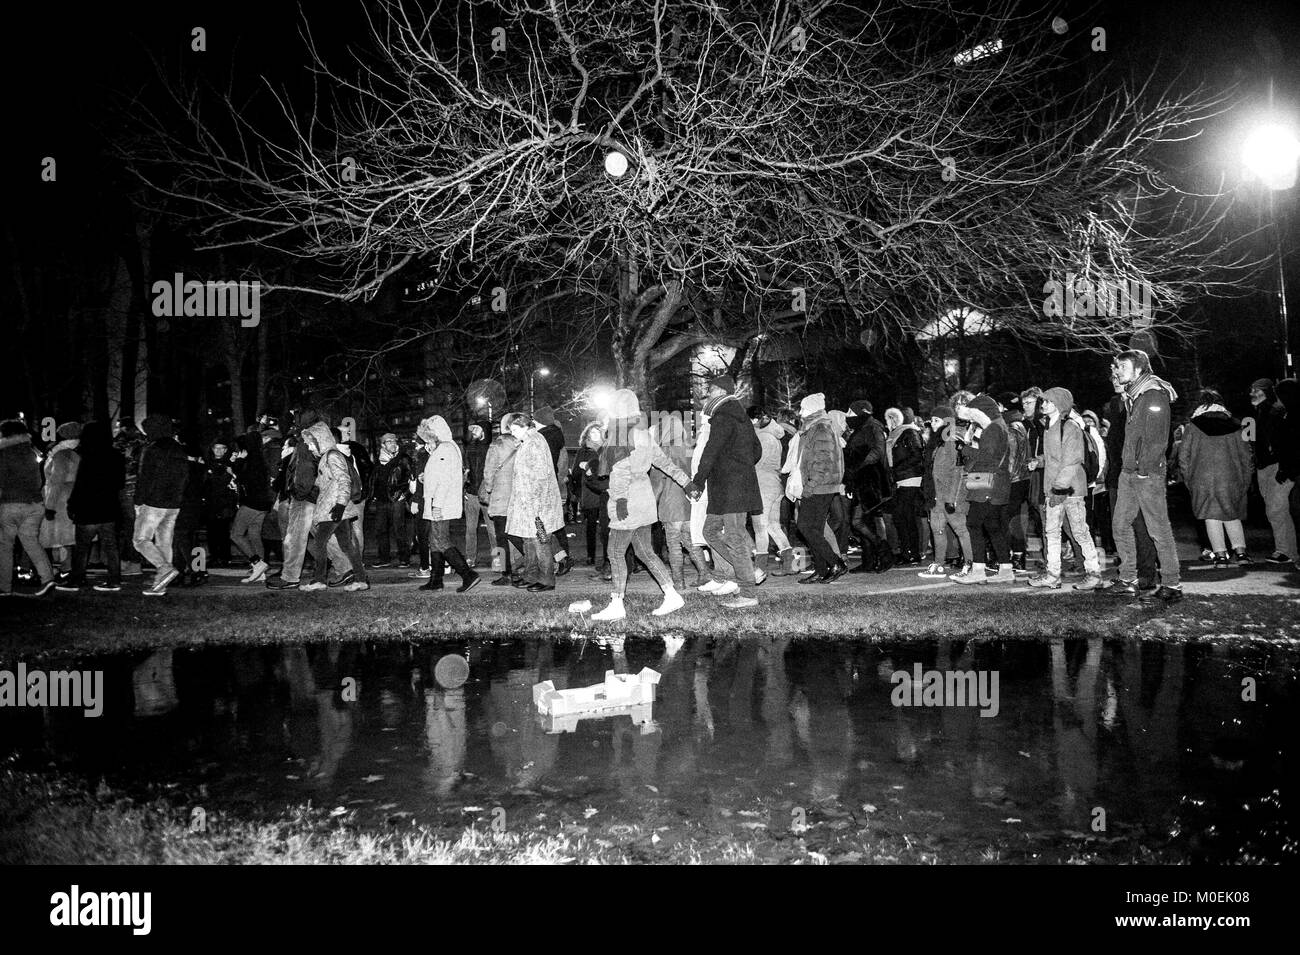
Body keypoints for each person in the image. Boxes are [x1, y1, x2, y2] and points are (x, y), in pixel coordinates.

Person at [589, 390, 695, 620]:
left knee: (615, 552)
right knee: (646, 552)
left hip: (627, 500)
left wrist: (620, 501)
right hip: (645, 500)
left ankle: (617, 603)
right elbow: (664, 462)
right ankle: (671, 594)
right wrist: (687, 482)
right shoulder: (643, 434)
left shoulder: (620, 435)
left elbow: (620, 472)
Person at [1102, 349, 1182, 602]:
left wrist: (1144, 470)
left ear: (1138, 370)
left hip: (1147, 475)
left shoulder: (1153, 394)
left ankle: (1172, 584)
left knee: (1158, 529)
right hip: (1129, 473)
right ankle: (1127, 580)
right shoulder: (1134, 396)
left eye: (1122, 367)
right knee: (1120, 525)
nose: (1117, 371)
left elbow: (1158, 438)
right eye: (1116, 367)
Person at [692, 374, 764, 607]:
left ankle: (748, 593)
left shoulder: (723, 416)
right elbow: (756, 451)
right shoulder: (740, 415)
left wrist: (698, 480)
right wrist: (739, 465)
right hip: (731, 487)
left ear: (720, 392)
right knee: (710, 530)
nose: (707, 396)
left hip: (730, 488)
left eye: (711, 391)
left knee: (734, 537)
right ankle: (745, 572)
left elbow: (710, 452)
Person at [1028, 387, 1103, 590]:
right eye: (1043, 401)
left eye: (1048, 402)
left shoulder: (1069, 427)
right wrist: (1040, 462)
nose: (1043, 405)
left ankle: (1094, 573)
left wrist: (1059, 489)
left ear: (1060, 405)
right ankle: (1053, 574)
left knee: (1080, 531)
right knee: (1051, 531)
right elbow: (1056, 458)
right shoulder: (1049, 426)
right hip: (1055, 489)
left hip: (1070, 490)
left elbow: (1072, 461)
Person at [1179, 390, 1253, 567]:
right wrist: (1246, 480)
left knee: (1210, 515)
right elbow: (1247, 456)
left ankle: (1220, 555)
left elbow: (1183, 457)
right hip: (1231, 478)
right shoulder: (1237, 426)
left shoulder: (1192, 427)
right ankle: (1241, 553)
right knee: (1232, 514)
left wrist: (1189, 479)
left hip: (1202, 478)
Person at [951, 394, 1015, 584]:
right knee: (993, 527)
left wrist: (965, 449)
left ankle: (978, 569)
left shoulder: (992, 428)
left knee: (973, 524)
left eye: (973, 413)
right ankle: (1005, 569)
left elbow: (987, 458)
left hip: (988, 484)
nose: (971, 418)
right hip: (998, 484)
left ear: (982, 411)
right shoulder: (998, 426)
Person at [298, 421, 369, 593]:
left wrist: (339, 505)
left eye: (310, 443)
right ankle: (361, 580)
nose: (309, 447)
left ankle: (319, 580)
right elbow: (326, 482)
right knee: (347, 546)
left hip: (334, 509)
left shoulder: (331, 456)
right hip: (336, 508)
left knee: (320, 543)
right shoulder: (327, 457)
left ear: (319, 440)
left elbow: (344, 480)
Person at [787, 392, 849, 584]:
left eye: (803, 408)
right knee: (814, 528)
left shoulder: (820, 428)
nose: (800, 412)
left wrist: (811, 484)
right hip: (821, 485)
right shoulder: (814, 427)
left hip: (820, 486)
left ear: (813, 409)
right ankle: (822, 570)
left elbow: (823, 461)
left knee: (805, 526)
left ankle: (835, 562)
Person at [56, 420, 125, 592]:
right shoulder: (116, 455)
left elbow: (81, 484)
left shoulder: (86, 456)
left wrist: (72, 504)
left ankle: (77, 579)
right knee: (111, 547)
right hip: (109, 507)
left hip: (88, 508)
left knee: (82, 548)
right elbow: (120, 483)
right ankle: (114, 580)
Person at [416, 414, 479, 593]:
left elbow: (444, 480)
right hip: (440, 501)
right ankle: (436, 580)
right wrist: (426, 477)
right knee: (435, 541)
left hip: (440, 503)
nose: (428, 436)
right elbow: (441, 475)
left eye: (430, 432)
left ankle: (468, 575)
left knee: (440, 540)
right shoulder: (447, 447)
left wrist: (437, 505)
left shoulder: (445, 449)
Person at [504, 413, 566, 592]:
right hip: (527, 504)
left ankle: (547, 579)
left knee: (540, 541)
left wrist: (537, 506)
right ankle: (531, 575)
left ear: (525, 426)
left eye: (515, 429)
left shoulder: (535, 442)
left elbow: (540, 476)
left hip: (537, 504)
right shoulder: (527, 442)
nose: (513, 433)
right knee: (529, 541)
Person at [132, 413, 190, 596]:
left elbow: (145, 477)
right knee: (164, 542)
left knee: (140, 540)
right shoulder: (179, 449)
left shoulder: (152, 449)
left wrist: (138, 501)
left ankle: (164, 568)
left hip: (154, 502)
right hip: (173, 504)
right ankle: (160, 585)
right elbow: (185, 477)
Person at [266, 414, 325, 591]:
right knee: (323, 537)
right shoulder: (320, 439)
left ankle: (290, 576)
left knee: (294, 538)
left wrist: (298, 493)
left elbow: (304, 470)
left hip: (304, 497)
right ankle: (347, 569)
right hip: (314, 495)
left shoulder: (304, 442)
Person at [0, 419, 57, 596]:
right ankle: (47, 579)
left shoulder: (3, 453)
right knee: (31, 542)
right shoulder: (31, 451)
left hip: (10, 504)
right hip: (35, 504)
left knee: (5, 546)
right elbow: (39, 480)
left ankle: (4, 587)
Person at [654, 412, 709, 590]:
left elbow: (658, 480)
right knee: (690, 540)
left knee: (673, 544)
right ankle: (704, 574)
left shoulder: (663, 451)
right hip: (688, 502)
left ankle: (678, 581)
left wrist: (653, 502)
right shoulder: (689, 449)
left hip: (670, 503)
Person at [1248, 378, 1296, 564]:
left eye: (1256, 390)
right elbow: (1253, 439)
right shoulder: (1258, 412)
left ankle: (1285, 551)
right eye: (1251, 390)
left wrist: (1284, 467)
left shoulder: (1276, 411)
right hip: (1266, 466)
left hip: (1276, 466)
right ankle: (1287, 550)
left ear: (1267, 391)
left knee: (1276, 509)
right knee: (1275, 510)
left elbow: (1285, 442)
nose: (1252, 393)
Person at [920, 405, 971, 578]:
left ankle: (970, 564)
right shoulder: (936, 442)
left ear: (946, 421)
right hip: (935, 495)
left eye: (936, 420)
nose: (932, 424)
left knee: (961, 530)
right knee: (937, 530)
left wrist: (951, 499)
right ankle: (939, 563)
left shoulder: (950, 441)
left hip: (948, 496)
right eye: (932, 420)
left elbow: (957, 472)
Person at [844, 399, 892, 572]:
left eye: (850, 413)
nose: (847, 417)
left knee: (859, 521)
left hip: (870, 482)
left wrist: (858, 467)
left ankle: (884, 553)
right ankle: (869, 560)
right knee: (865, 521)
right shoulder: (862, 429)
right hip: (860, 482)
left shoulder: (873, 427)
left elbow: (878, 452)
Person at [751, 406, 794, 574]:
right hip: (775, 484)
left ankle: (760, 569)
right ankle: (788, 565)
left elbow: (755, 463)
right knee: (774, 526)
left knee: (760, 528)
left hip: (762, 485)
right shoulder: (775, 436)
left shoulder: (761, 438)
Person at [480, 417, 522, 585]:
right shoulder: (521, 443)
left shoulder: (496, 445)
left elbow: (488, 472)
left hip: (500, 498)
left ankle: (505, 573)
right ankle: (536, 563)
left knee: (500, 537)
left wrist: (488, 489)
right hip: (518, 497)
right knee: (518, 534)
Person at [532, 405, 572, 576]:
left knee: (541, 525)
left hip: (544, 488)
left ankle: (558, 559)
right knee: (551, 526)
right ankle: (559, 558)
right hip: (551, 487)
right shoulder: (555, 437)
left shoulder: (542, 438)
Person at [231, 431, 273, 583]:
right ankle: (261, 573)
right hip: (263, 503)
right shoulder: (260, 458)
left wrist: (238, 462)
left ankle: (257, 563)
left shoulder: (251, 460)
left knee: (236, 534)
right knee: (254, 535)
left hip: (252, 503)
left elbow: (243, 478)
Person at [884, 407, 924, 565]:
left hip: (910, 479)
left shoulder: (909, 432)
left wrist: (896, 469)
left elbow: (916, 455)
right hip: (902, 479)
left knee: (905, 517)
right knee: (902, 517)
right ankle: (908, 552)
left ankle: (911, 553)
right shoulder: (897, 434)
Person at [41, 421, 81, 576]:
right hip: (72, 496)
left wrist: (49, 506)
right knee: (68, 536)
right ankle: (67, 568)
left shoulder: (61, 454)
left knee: (60, 537)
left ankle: (65, 569)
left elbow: (56, 481)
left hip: (59, 499)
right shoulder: (75, 453)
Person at [370, 432, 414, 567]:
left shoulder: (403, 459)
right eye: (389, 442)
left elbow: (411, 479)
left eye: (395, 441)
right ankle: (384, 559)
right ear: (383, 445)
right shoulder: (378, 460)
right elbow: (376, 478)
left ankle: (404, 558)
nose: (393, 444)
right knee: (381, 530)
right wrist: (373, 494)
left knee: (399, 529)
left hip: (396, 499)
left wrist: (404, 495)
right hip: (382, 500)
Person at [570, 422, 609, 568]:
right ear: (587, 435)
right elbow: (575, 473)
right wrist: (584, 469)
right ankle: (590, 556)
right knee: (591, 526)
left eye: (597, 432)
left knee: (607, 527)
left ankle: (607, 558)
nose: (595, 436)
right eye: (591, 433)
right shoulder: (583, 451)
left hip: (605, 490)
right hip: (590, 491)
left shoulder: (606, 449)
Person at [462, 422, 496, 565]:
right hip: (471, 494)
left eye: (476, 428)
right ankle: (470, 558)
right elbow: (465, 471)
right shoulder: (469, 447)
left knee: (493, 530)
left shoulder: (492, 448)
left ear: (484, 431)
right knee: (470, 529)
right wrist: (463, 488)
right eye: (472, 429)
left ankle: (498, 558)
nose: (473, 431)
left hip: (488, 495)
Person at [203, 440, 237, 567]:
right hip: (211, 501)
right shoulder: (207, 463)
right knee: (212, 531)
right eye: (216, 448)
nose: (218, 451)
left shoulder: (229, 464)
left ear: (226, 450)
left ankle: (224, 556)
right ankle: (215, 556)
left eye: (221, 448)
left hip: (224, 502)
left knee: (223, 530)